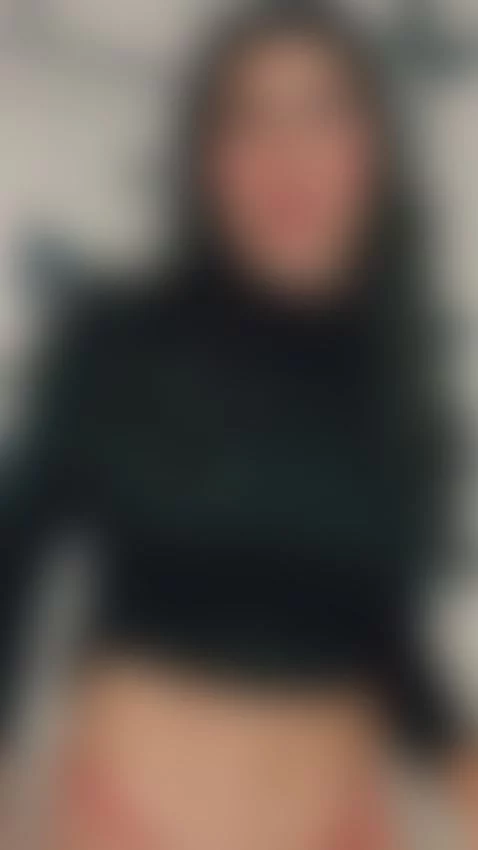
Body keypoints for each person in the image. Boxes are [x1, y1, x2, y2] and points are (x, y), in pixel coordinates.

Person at [1, 4, 455, 848]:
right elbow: (12, 565)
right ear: (208, 160)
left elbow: (381, 631)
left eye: (321, 112)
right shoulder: (119, 342)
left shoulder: (393, 387)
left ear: (371, 153)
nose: (288, 153)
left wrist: (459, 763)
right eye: (251, 118)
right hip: (125, 825)